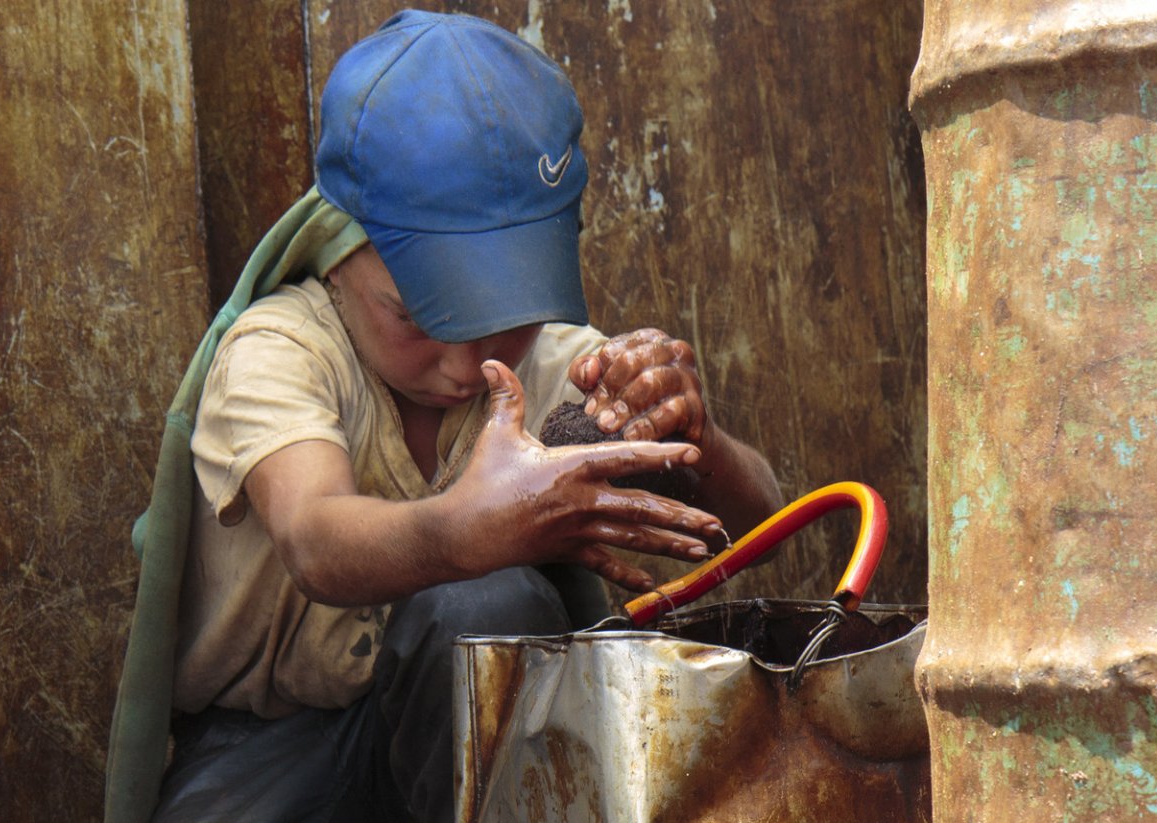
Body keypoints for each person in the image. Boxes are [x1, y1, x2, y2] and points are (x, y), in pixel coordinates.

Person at [125, 10, 784, 822]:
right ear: (340, 255)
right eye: (420, 316)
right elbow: (313, 534)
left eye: (503, 315)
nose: (469, 362)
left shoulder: (557, 364)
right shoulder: (280, 350)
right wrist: (465, 529)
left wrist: (697, 440)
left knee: (485, 609)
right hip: (269, 750)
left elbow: (755, 524)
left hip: (478, 756)